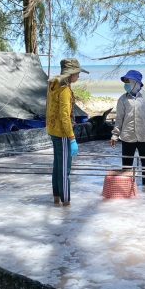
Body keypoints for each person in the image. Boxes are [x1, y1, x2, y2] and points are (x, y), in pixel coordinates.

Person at [46, 58, 89, 206]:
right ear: (70, 74)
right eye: (77, 73)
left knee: (57, 165)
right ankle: (66, 202)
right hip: (62, 133)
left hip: (53, 130)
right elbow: (64, 116)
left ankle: (56, 197)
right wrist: (72, 138)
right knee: (65, 168)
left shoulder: (54, 84)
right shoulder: (64, 90)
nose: (78, 76)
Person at [110, 70, 145, 185]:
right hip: (127, 137)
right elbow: (119, 119)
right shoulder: (123, 99)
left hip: (144, 137)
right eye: (125, 82)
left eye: (128, 81)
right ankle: (127, 191)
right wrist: (115, 135)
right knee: (126, 169)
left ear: (136, 82)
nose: (126, 84)